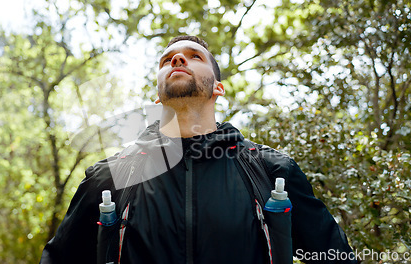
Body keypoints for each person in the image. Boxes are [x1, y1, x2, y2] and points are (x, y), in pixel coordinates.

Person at [40, 35, 357, 264]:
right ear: (158, 95)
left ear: (218, 88)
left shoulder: (272, 170)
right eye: (168, 60)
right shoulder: (109, 176)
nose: (178, 60)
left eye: (194, 56)